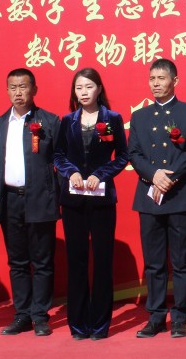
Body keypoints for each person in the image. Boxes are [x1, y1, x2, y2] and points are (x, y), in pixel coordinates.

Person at [128, 58, 186, 338]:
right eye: (152, 79)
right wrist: (153, 175)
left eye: (161, 78)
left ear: (175, 81)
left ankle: (180, 316)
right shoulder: (139, 116)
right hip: (149, 197)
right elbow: (134, 153)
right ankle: (156, 316)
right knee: (154, 261)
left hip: (180, 196)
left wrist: (168, 178)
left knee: (181, 260)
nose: (156, 84)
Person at [53, 68, 129, 340]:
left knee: (102, 261)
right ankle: (77, 324)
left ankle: (99, 325)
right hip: (73, 200)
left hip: (102, 200)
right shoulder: (67, 121)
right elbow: (58, 155)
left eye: (88, 87)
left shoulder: (112, 119)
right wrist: (70, 171)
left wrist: (101, 174)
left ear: (98, 89)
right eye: (79, 88)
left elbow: (122, 156)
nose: (83, 92)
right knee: (76, 261)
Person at [0, 68, 61, 336]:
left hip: (40, 199)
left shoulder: (50, 121)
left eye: (23, 87)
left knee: (42, 261)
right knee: (17, 261)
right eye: (13, 87)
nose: (18, 92)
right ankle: (22, 315)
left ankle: (40, 316)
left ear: (34, 90)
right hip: (10, 200)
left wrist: (53, 196)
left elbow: (60, 162)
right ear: (7, 90)